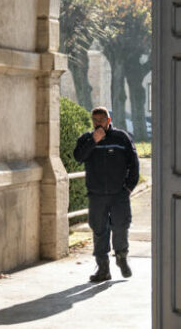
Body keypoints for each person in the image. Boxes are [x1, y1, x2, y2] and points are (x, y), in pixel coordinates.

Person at [73, 106, 140, 282]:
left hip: (119, 194)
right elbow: (79, 157)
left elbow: (133, 163)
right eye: (95, 120)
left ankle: (121, 258)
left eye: (101, 120)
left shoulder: (121, 138)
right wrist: (93, 141)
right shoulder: (87, 138)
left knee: (120, 226)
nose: (98, 124)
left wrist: (129, 187)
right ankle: (103, 268)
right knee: (99, 229)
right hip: (96, 195)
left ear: (109, 120)